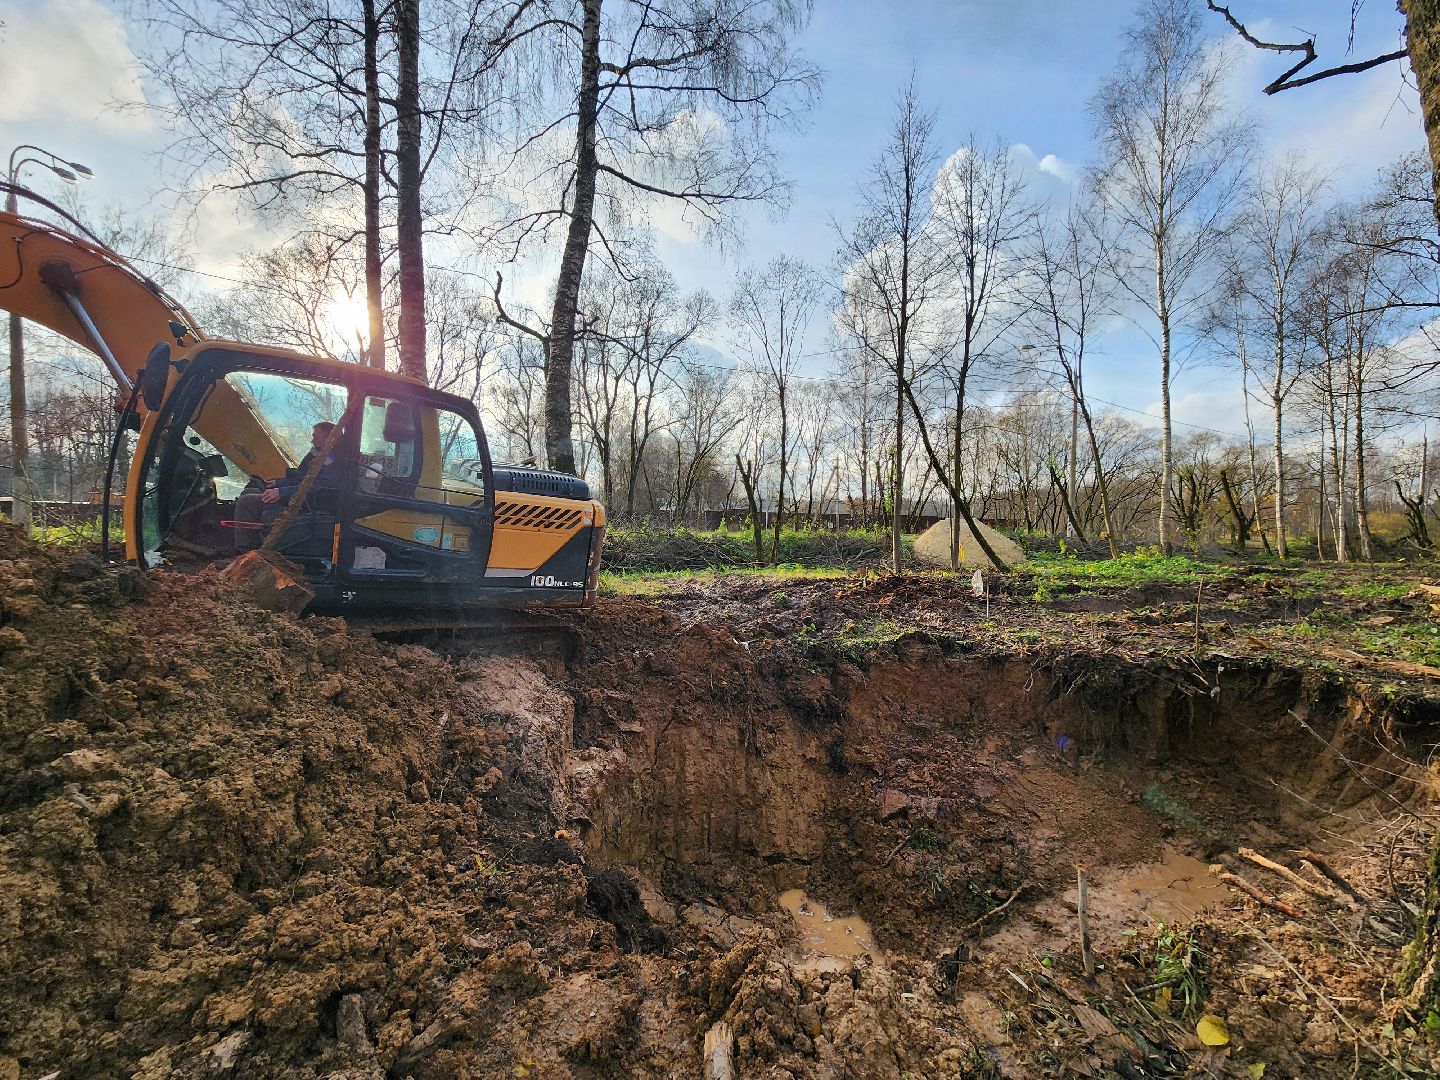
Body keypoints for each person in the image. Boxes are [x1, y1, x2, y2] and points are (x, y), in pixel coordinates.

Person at [261, 421, 341, 510]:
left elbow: (321, 487)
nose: (312, 441)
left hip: (311, 506)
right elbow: (301, 477)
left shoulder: (338, 462)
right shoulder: (316, 454)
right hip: (301, 499)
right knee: (254, 490)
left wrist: (282, 492)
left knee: (248, 501)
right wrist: (279, 483)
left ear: (330, 438)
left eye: (316, 437)